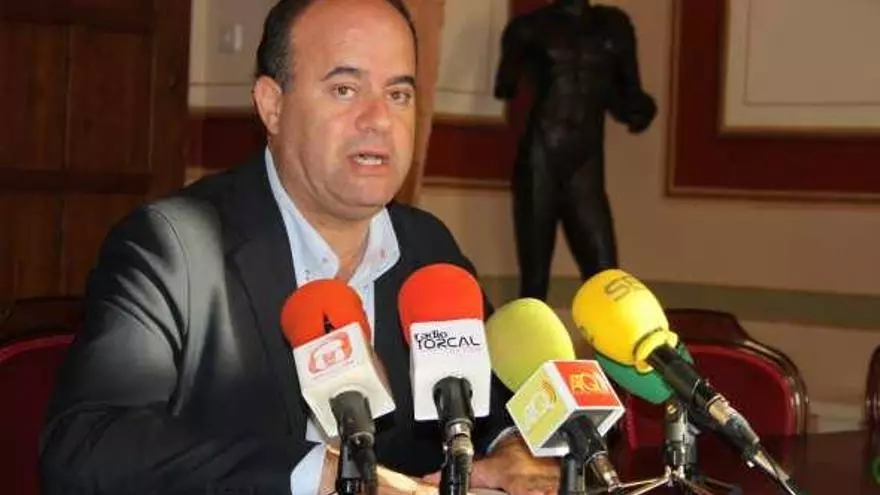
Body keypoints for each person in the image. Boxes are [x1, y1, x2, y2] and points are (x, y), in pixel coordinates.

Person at [38, 1, 561, 494]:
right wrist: (318, 475)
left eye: (399, 94)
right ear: (272, 105)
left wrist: (511, 446)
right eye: (344, 90)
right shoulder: (174, 249)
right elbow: (88, 443)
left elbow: (486, 403)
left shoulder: (427, 248)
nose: (379, 119)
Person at [493, 0, 657, 301]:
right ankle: (531, 333)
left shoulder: (614, 27)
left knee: (606, 278)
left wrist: (640, 109)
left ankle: (608, 334)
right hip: (541, 156)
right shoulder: (529, 28)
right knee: (535, 282)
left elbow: (627, 95)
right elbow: (505, 84)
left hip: (586, 161)